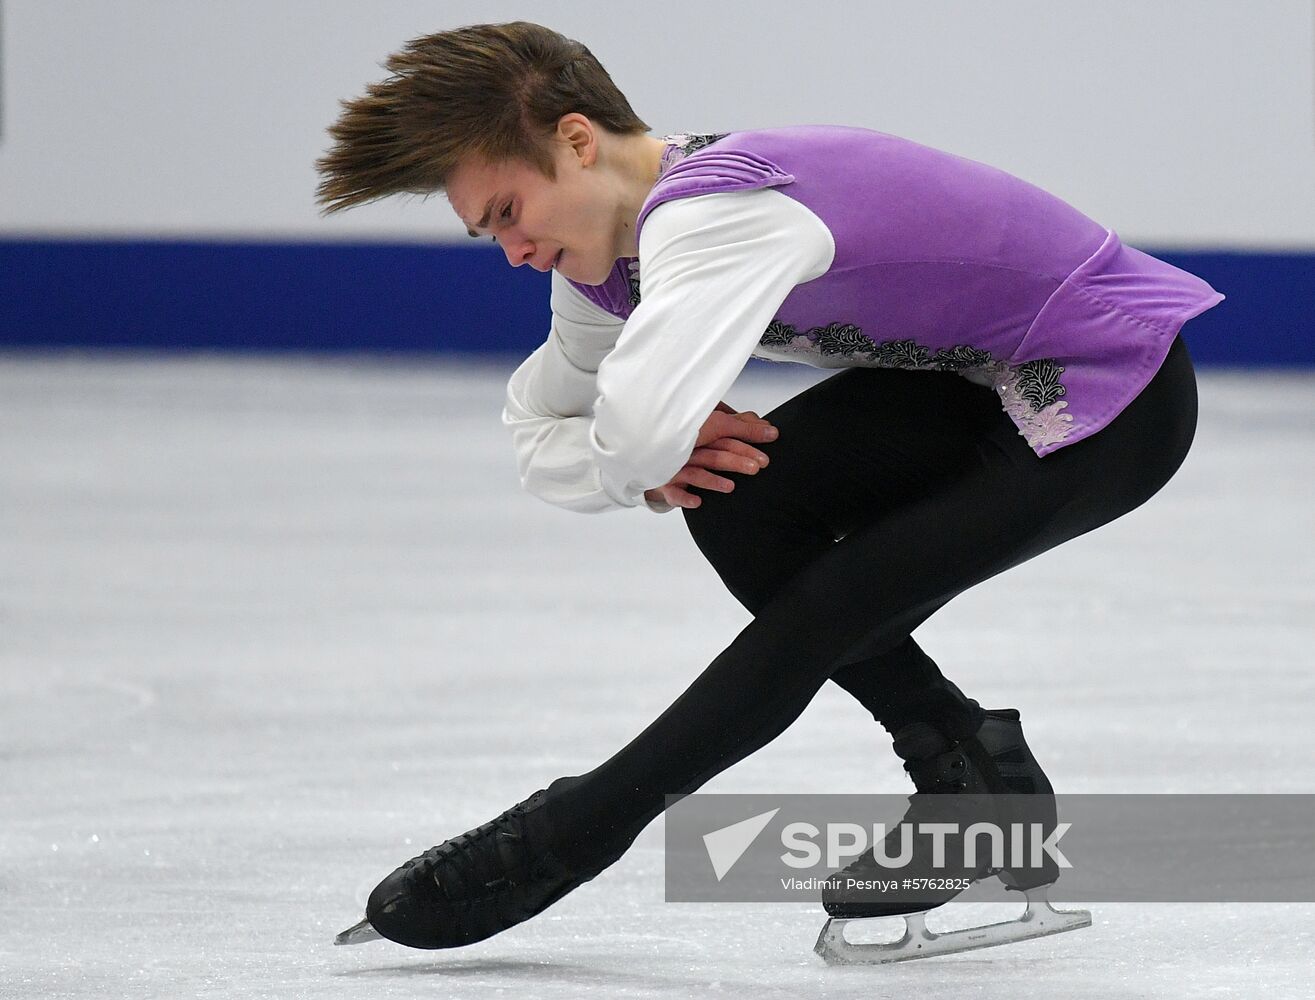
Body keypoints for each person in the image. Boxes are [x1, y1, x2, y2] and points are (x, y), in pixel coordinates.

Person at [316, 21, 1222, 955]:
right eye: (485, 232)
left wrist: (642, 447)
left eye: (507, 211)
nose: (508, 249)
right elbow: (548, 426)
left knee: (830, 603)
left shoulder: (718, 216)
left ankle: (572, 833)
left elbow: (633, 429)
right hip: (968, 391)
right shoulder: (606, 273)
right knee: (741, 495)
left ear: (575, 142)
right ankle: (972, 778)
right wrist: (642, 455)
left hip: (1114, 390)